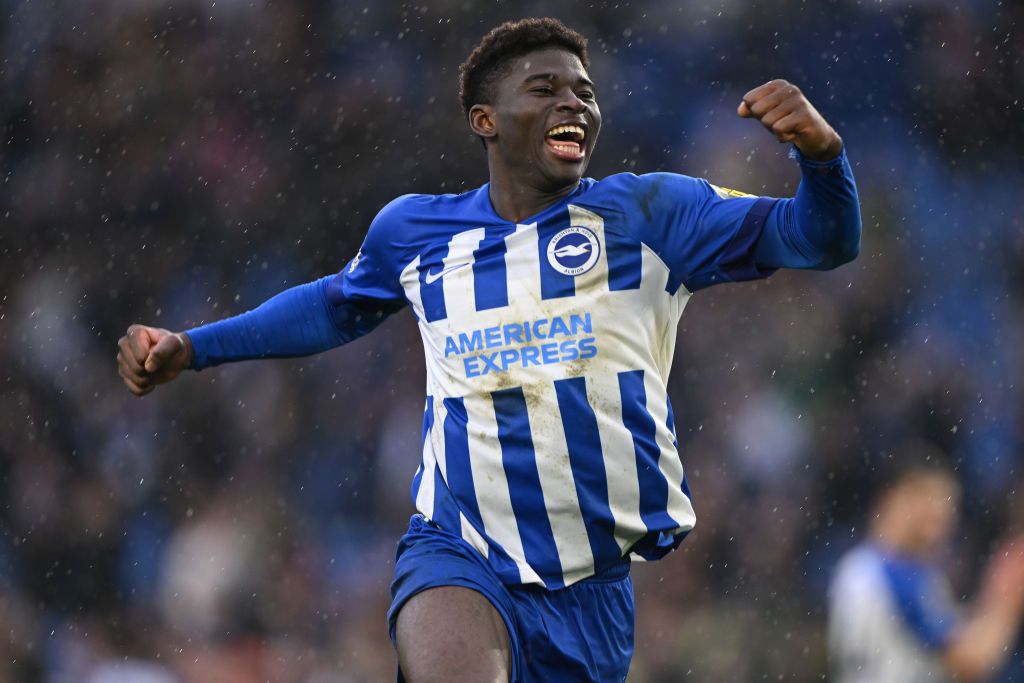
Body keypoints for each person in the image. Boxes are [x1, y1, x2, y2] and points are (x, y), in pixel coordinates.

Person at [117, 17, 861, 682]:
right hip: (458, 549)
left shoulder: (651, 212)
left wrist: (823, 158)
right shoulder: (416, 232)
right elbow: (334, 306)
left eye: (585, 91)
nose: (575, 103)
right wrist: (194, 347)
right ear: (485, 119)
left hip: (593, 588)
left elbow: (820, 239)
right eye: (545, 88)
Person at [828, 457, 1024, 683]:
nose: (942, 512)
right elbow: (970, 662)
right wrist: (1008, 591)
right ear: (893, 498)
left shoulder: (858, 567)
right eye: (931, 497)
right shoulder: (896, 574)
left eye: (949, 502)